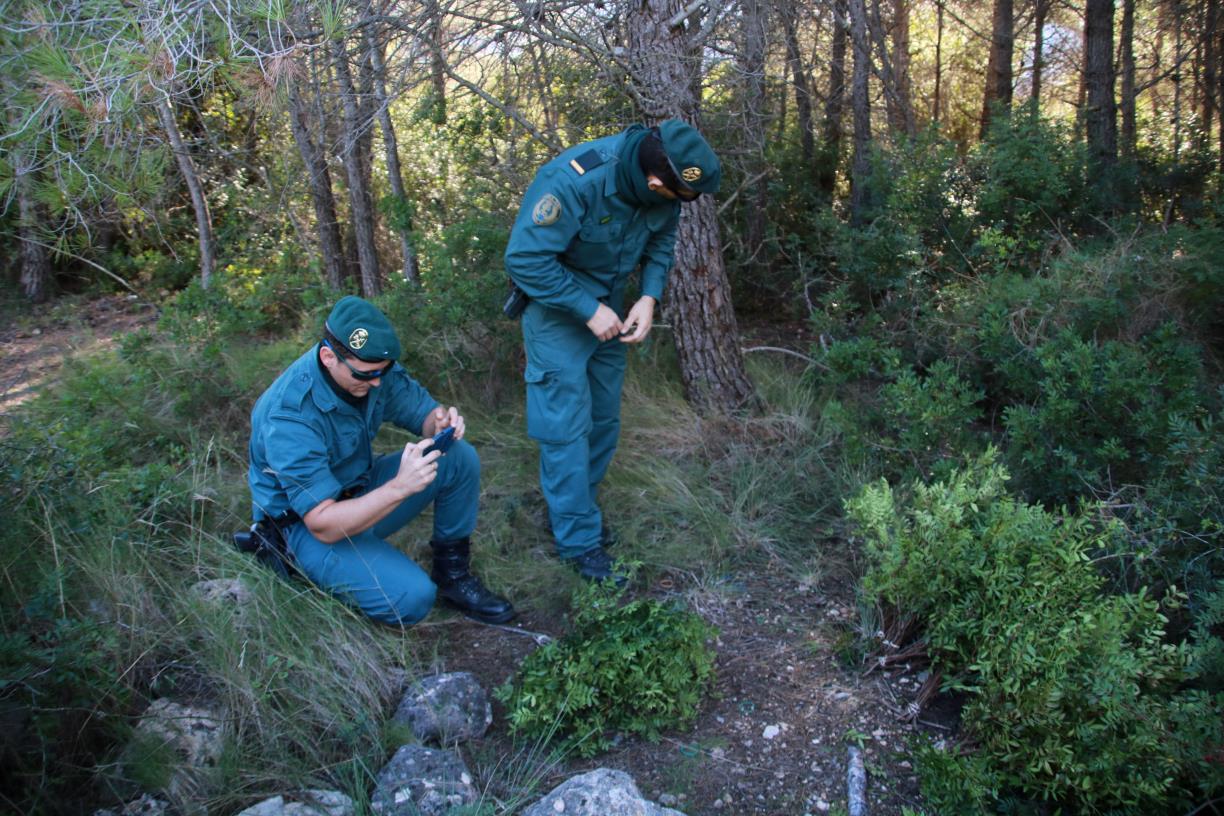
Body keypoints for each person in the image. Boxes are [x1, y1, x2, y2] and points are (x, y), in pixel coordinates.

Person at [504, 119, 721, 581]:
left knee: (603, 418)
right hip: (558, 310)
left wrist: (649, 294)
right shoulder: (574, 181)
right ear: (655, 182)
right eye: (677, 196)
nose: (682, 206)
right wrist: (587, 309)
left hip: (614, 308)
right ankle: (578, 543)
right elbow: (524, 260)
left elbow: (663, 235)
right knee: (564, 427)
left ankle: (575, 510)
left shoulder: (668, 180)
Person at [246, 295, 514, 626]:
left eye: (381, 373)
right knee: (413, 598)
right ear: (329, 357)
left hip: (358, 490)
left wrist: (441, 423)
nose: (376, 383)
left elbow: (425, 415)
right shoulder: (290, 416)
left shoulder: (373, 367)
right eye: (366, 375)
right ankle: (298, 567)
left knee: (457, 457)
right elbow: (322, 523)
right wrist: (399, 488)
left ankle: (453, 576)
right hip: (306, 527)